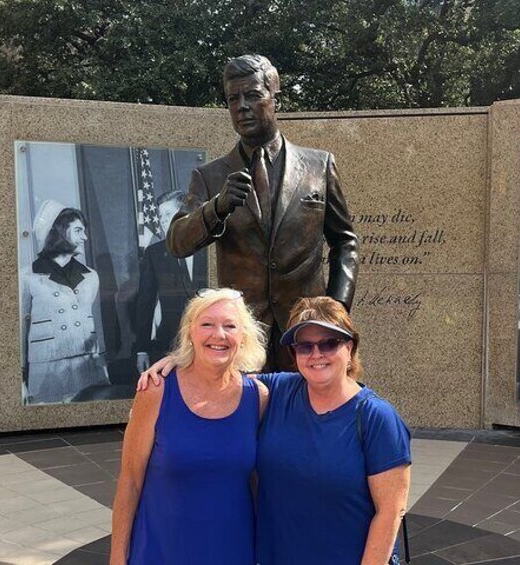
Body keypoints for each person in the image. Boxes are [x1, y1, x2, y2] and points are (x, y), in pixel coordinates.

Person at [139, 296, 411, 564]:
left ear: (349, 348)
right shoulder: (279, 391)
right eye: (304, 346)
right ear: (294, 354)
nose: (316, 354)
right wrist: (177, 362)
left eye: (329, 343)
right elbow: (219, 375)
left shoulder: (376, 417)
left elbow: (390, 512)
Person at [166, 54, 359, 371]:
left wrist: (335, 309)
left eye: (253, 95)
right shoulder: (210, 176)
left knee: (306, 417)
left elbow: (345, 242)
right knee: (250, 418)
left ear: (275, 99)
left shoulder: (318, 165)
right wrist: (218, 207)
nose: (241, 106)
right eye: (233, 98)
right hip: (243, 334)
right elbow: (177, 242)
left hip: (306, 330)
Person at [110, 288, 269, 564]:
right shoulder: (156, 390)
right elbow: (130, 481)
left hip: (232, 550)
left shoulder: (259, 397)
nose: (218, 335)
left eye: (229, 326)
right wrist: (117, 558)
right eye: (206, 324)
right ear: (190, 332)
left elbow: (256, 483)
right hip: (162, 551)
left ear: (242, 337)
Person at [22, 200, 110, 404]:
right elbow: (19, 331)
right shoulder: (27, 277)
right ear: (60, 231)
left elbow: (98, 327)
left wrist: (103, 368)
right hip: (47, 374)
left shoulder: (91, 276)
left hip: (88, 370)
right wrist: (20, 381)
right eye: (78, 230)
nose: (85, 237)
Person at [135, 190, 205, 373]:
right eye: (160, 216)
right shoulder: (154, 254)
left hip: (209, 341)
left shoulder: (209, 249)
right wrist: (142, 349)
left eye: (168, 214)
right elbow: (145, 302)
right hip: (171, 345)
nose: (162, 220)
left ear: (184, 215)